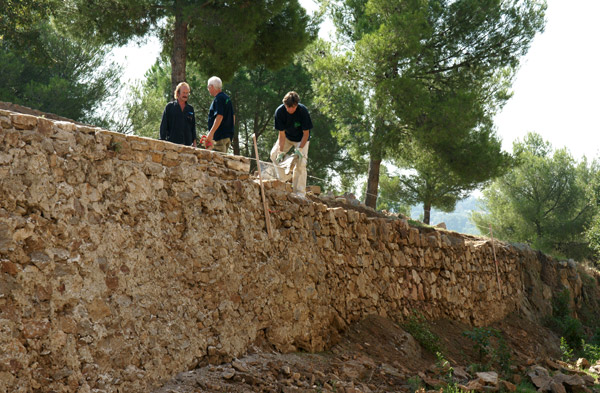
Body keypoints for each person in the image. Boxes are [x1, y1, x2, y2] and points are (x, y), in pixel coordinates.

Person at [270, 91, 313, 197]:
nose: (289, 109)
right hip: (287, 137)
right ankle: (284, 178)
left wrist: (300, 149)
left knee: (301, 163)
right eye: (287, 107)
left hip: (301, 139)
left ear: (296, 105)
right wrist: (281, 151)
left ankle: (299, 193)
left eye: (292, 107)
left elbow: (306, 134)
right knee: (274, 155)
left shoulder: (303, 111)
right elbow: (281, 134)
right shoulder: (279, 112)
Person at [159, 82, 197, 147]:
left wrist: (194, 143)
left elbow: (193, 127)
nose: (185, 95)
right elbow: (163, 126)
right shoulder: (169, 107)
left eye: (187, 93)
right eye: (184, 93)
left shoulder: (190, 109)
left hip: (187, 146)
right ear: (178, 93)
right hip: (172, 144)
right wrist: (162, 142)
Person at [205, 76, 235, 153]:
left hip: (219, 137)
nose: (208, 89)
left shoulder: (218, 99)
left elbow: (219, 116)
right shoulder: (227, 98)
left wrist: (211, 134)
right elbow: (233, 116)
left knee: (218, 162)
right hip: (227, 136)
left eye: (208, 87)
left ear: (211, 87)